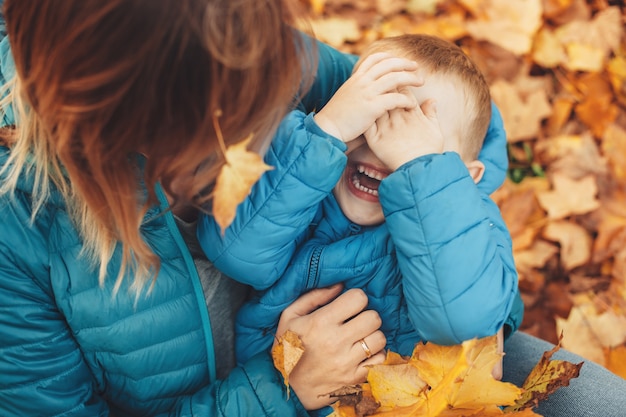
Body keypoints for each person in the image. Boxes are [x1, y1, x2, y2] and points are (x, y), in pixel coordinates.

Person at [0, 1, 428, 416]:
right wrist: (283, 389)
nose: (249, 132)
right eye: (213, 124)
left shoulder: (240, 42)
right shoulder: (18, 225)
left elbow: (450, 103)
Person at [198, 34, 523, 370]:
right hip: (290, 391)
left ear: (467, 177)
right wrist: (328, 130)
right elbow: (236, 251)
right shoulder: (309, 191)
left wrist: (419, 171)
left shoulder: (475, 220)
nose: (383, 148)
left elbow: (462, 319)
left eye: (416, 138)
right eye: (373, 120)